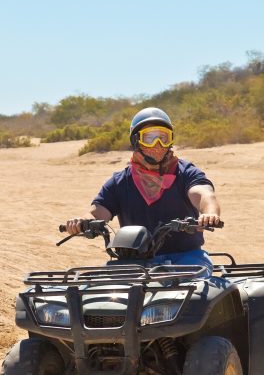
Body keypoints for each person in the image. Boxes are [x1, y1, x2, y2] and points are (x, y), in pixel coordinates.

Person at [63, 107, 221, 275]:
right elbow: (98, 212)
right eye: (149, 138)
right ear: (136, 140)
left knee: (195, 291)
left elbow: (204, 194)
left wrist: (209, 213)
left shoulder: (186, 172)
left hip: (186, 257)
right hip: (134, 261)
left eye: (163, 138)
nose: (157, 145)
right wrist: (83, 221)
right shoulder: (120, 182)